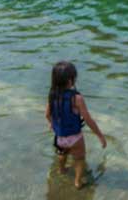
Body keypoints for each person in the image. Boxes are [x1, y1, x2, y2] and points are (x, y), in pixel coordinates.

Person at [46, 61, 107, 189]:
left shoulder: (52, 96)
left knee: (62, 154)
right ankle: (78, 182)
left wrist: (52, 124)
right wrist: (100, 136)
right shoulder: (76, 98)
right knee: (79, 159)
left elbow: (47, 115)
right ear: (70, 81)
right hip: (75, 138)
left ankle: (61, 170)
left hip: (60, 138)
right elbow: (88, 120)